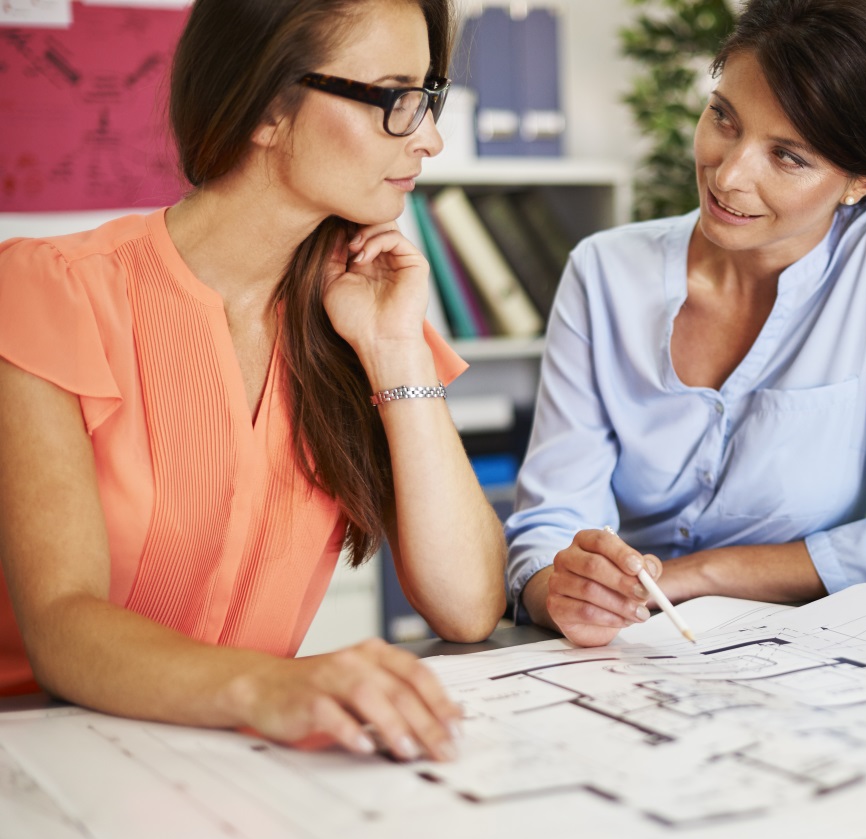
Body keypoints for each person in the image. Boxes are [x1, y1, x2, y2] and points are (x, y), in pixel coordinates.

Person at [0, 0, 508, 762]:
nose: (429, 138)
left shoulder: (358, 311)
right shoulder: (46, 291)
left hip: (240, 774)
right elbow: (62, 626)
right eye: (396, 100)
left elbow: (468, 604)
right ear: (269, 107)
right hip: (50, 770)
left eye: (427, 97)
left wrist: (397, 348)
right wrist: (270, 687)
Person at [506, 0, 866, 648]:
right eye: (723, 119)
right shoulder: (604, 272)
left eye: (788, 156)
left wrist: (696, 575)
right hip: (626, 655)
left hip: (811, 664)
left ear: (863, 181)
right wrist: (559, 590)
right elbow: (550, 526)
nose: (729, 175)